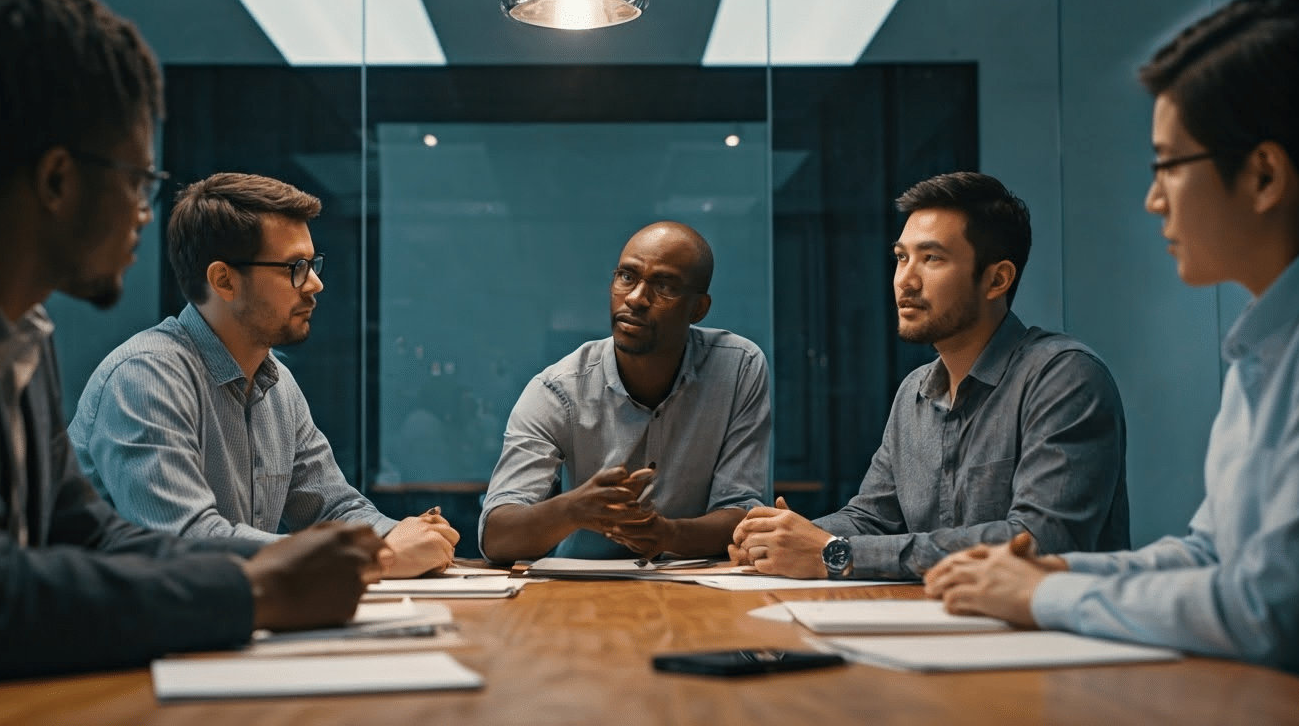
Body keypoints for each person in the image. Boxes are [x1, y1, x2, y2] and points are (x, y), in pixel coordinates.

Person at [0, 0, 390, 709]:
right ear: (58, 178)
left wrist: (261, 579)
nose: (143, 214)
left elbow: (90, 538)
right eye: (137, 180)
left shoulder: (17, 331)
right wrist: (251, 589)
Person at [925, 0, 1299, 674]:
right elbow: (1206, 554)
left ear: (1264, 174)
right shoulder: (1264, 345)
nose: (1152, 198)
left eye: (1168, 165)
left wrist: (1049, 592)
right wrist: (1049, 572)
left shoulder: (1062, 373)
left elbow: (1272, 608)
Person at [730, 172, 1130, 581]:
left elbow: (1040, 540)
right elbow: (872, 518)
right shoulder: (914, 392)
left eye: (932, 258)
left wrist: (835, 553)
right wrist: (779, 537)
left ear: (997, 279)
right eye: (901, 257)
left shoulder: (1064, 377)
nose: (906, 279)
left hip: (1047, 636)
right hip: (943, 625)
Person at [69, 172, 458, 577]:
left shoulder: (277, 382)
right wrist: (380, 556)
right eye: (295, 267)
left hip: (230, 620)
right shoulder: (145, 378)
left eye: (313, 263)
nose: (315, 284)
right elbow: (187, 540)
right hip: (141, 634)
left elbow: (334, 507)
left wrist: (411, 537)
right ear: (224, 280)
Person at [479, 221, 769, 562]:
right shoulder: (558, 389)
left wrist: (667, 535)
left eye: (664, 286)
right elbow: (496, 538)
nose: (635, 298)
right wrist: (573, 510)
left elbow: (741, 516)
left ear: (698, 309)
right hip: (581, 590)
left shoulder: (738, 367)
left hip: (698, 587)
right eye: (627, 277)